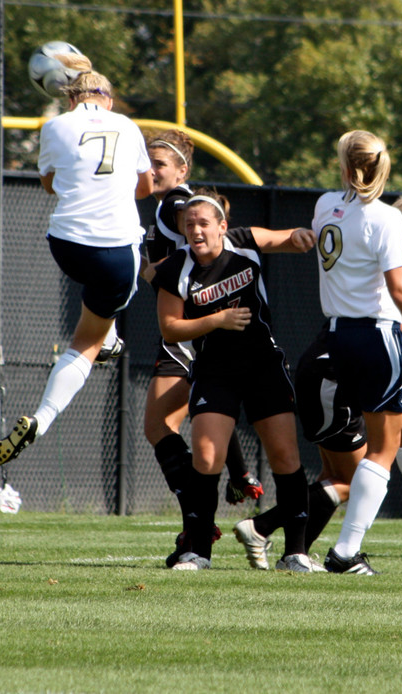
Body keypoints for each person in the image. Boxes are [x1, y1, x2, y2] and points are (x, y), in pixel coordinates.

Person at [233, 195, 402, 566]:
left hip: (334, 365)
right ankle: (277, 532)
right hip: (334, 374)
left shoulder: (345, 217)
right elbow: (389, 321)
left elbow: (383, 311)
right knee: (356, 476)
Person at [0, 53, 152, 465]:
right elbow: (146, 188)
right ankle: (43, 419)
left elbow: (49, 184)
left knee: (98, 303)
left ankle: (110, 337)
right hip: (116, 250)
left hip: (66, 243)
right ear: (109, 100)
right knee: (87, 341)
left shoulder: (55, 127)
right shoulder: (129, 127)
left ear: (70, 99)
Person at [311, 130, 402, 575]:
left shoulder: (322, 206)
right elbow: (399, 291)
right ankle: (344, 552)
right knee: (384, 450)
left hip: (335, 335)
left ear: (344, 165)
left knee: (384, 445)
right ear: (383, 169)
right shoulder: (386, 219)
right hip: (376, 336)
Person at [152, 190, 317, 571]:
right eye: (189, 224)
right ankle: (198, 552)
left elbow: (285, 239)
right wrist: (217, 320)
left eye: (203, 223)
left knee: (285, 456)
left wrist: (301, 237)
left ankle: (296, 553)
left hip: (263, 365)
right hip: (214, 370)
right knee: (207, 457)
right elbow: (169, 327)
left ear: (222, 227)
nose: (195, 229)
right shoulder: (175, 268)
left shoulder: (242, 242)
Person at [140, 131, 263, 568]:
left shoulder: (175, 203)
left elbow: (210, 227)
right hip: (192, 331)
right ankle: (229, 483)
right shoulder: (165, 205)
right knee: (167, 424)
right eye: (146, 160)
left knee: (159, 425)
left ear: (181, 170)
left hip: (191, 333)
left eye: (159, 162)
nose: (150, 169)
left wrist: (152, 271)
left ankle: (202, 518)